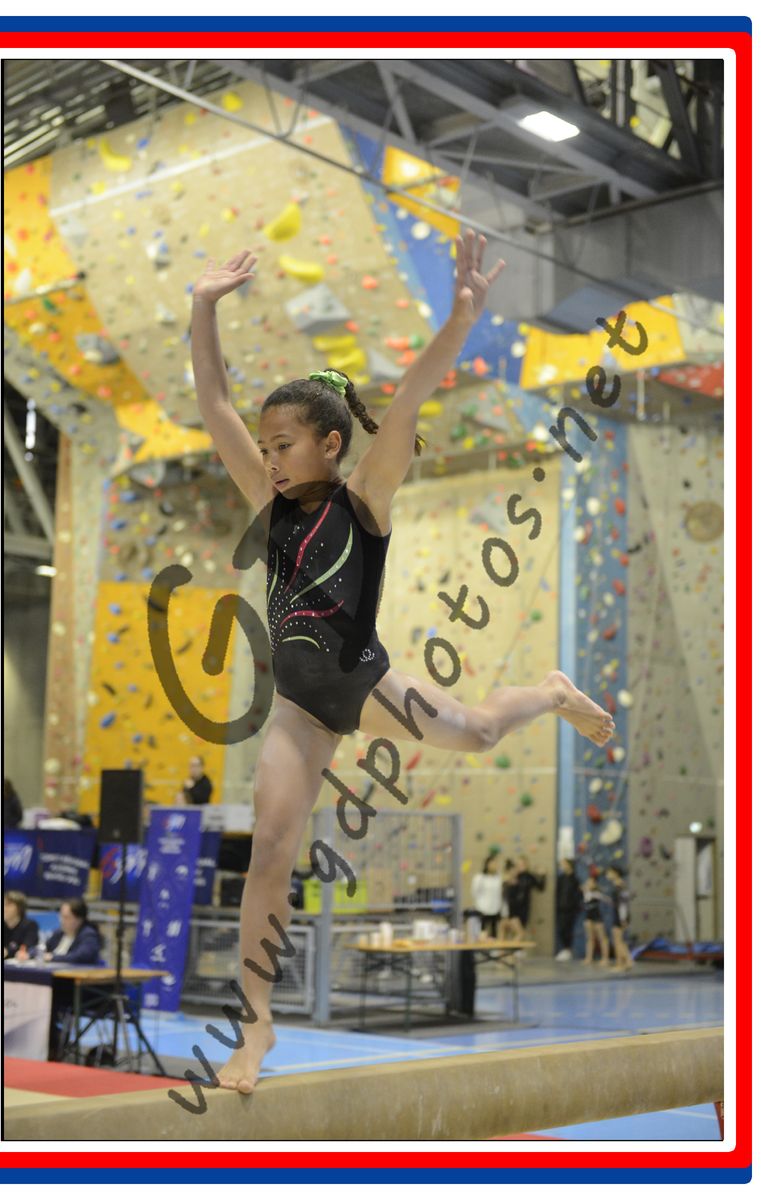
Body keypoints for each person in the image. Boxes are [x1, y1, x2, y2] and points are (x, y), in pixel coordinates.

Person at [189, 235, 616, 1093]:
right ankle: (256, 1026)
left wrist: (460, 320)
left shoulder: (365, 502)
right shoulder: (267, 506)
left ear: (332, 444)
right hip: (300, 709)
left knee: (482, 733)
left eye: (283, 445)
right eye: (264, 447)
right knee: (270, 847)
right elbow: (214, 402)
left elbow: (412, 394)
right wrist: (203, 306)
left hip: (367, 683)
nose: (267, 458)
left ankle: (547, 692)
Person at [42, 898, 103, 964]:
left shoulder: (88, 935)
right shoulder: (58, 933)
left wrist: (52, 958)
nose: (61, 921)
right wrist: (36, 953)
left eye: (66, 917)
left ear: (79, 919)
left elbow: (80, 957)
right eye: (61, 916)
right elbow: (42, 948)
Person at [510, 855, 546, 937]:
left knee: (522, 928)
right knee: (514, 929)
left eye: (523, 864)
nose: (521, 866)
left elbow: (540, 887)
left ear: (526, 865)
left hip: (524, 906)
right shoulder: (515, 876)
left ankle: (519, 945)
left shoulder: (529, 876)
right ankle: (514, 944)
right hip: (513, 906)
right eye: (519, 864)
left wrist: (543, 876)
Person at [605, 864, 633, 971]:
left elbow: (623, 904)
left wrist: (623, 919)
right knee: (620, 941)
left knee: (617, 941)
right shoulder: (617, 884)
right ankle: (627, 962)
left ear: (615, 873)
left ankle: (621, 964)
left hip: (621, 915)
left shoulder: (620, 885)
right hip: (619, 914)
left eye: (609, 872)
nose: (607, 875)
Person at [554, 857, 583, 961]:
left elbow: (578, 895)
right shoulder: (561, 878)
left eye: (564, 864)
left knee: (568, 929)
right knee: (561, 929)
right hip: (561, 908)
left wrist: (575, 907)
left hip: (571, 909)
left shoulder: (575, 879)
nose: (562, 866)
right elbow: (557, 893)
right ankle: (565, 948)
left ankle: (568, 949)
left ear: (570, 865)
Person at [471, 853, 503, 940]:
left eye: (496, 863)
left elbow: (500, 893)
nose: (494, 865)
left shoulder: (498, 877)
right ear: (487, 864)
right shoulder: (480, 877)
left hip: (495, 909)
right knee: (482, 932)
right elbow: (474, 892)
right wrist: (480, 903)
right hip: (482, 908)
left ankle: (494, 947)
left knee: (494, 933)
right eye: (492, 863)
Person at [3, 891, 39, 960]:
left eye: (8, 905)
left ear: (19, 908)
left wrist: (8, 951)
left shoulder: (30, 925)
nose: (4, 909)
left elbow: (27, 947)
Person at [582, 873, 609, 965]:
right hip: (588, 917)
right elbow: (586, 896)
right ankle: (589, 958)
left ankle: (605, 958)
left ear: (594, 884)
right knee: (590, 938)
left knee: (602, 938)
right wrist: (585, 889)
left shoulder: (597, 894)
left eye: (590, 882)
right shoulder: (586, 893)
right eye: (587, 882)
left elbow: (607, 899)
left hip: (597, 917)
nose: (588, 884)